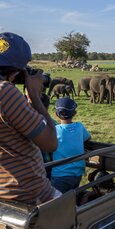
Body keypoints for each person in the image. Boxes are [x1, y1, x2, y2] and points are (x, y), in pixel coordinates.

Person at [0, 32, 61, 204]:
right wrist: (34, 95)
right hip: (27, 195)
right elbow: (50, 143)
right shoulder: (4, 92)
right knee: (85, 228)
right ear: (15, 72)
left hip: (3, 192)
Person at [51, 97, 91, 193]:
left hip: (60, 175)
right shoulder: (79, 126)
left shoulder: (55, 130)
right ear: (74, 113)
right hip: (77, 173)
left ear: (56, 114)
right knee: (71, 197)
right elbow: (88, 138)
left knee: (57, 203)